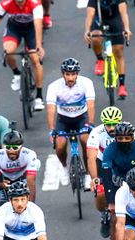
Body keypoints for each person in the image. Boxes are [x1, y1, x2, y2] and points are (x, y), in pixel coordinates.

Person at [87, 108, 135, 240]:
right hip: (103, 163)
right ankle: (104, 213)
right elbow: (91, 158)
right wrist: (94, 178)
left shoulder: (128, 130)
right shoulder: (96, 133)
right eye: (108, 124)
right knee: (100, 192)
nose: (111, 128)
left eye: (114, 124)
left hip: (123, 162)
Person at [0, 0, 46, 111]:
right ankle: (17, 74)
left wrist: (38, 46)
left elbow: (38, 25)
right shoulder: (6, 3)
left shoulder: (35, 4)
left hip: (31, 30)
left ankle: (39, 97)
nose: (19, 3)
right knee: (8, 52)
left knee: (35, 59)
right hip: (14, 29)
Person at [46, 57, 95, 189]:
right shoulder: (54, 86)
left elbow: (90, 105)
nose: (70, 78)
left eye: (73, 74)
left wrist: (90, 124)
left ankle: (89, 174)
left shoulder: (86, 83)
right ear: (63, 74)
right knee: (60, 144)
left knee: (86, 140)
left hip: (81, 117)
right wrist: (51, 129)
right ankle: (64, 166)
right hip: (64, 119)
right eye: (68, 74)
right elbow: (51, 108)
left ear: (77, 74)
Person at [84, 0, 131, 98]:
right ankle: (100, 59)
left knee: (118, 51)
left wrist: (126, 28)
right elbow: (90, 14)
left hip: (115, 19)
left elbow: (123, 13)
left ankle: (122, 85)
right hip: (99, 19)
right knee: (96, 38)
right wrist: (87, 31)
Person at [0, 129, 40, 203]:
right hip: (3, 179)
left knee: (24, 203)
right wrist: (1, 185)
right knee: (0, 205)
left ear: (21, 147)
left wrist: (31, 205)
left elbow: (31, 184)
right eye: (8, 147)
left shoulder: (29, 155)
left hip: (21, 176)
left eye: (15, 147)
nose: (11, 150)